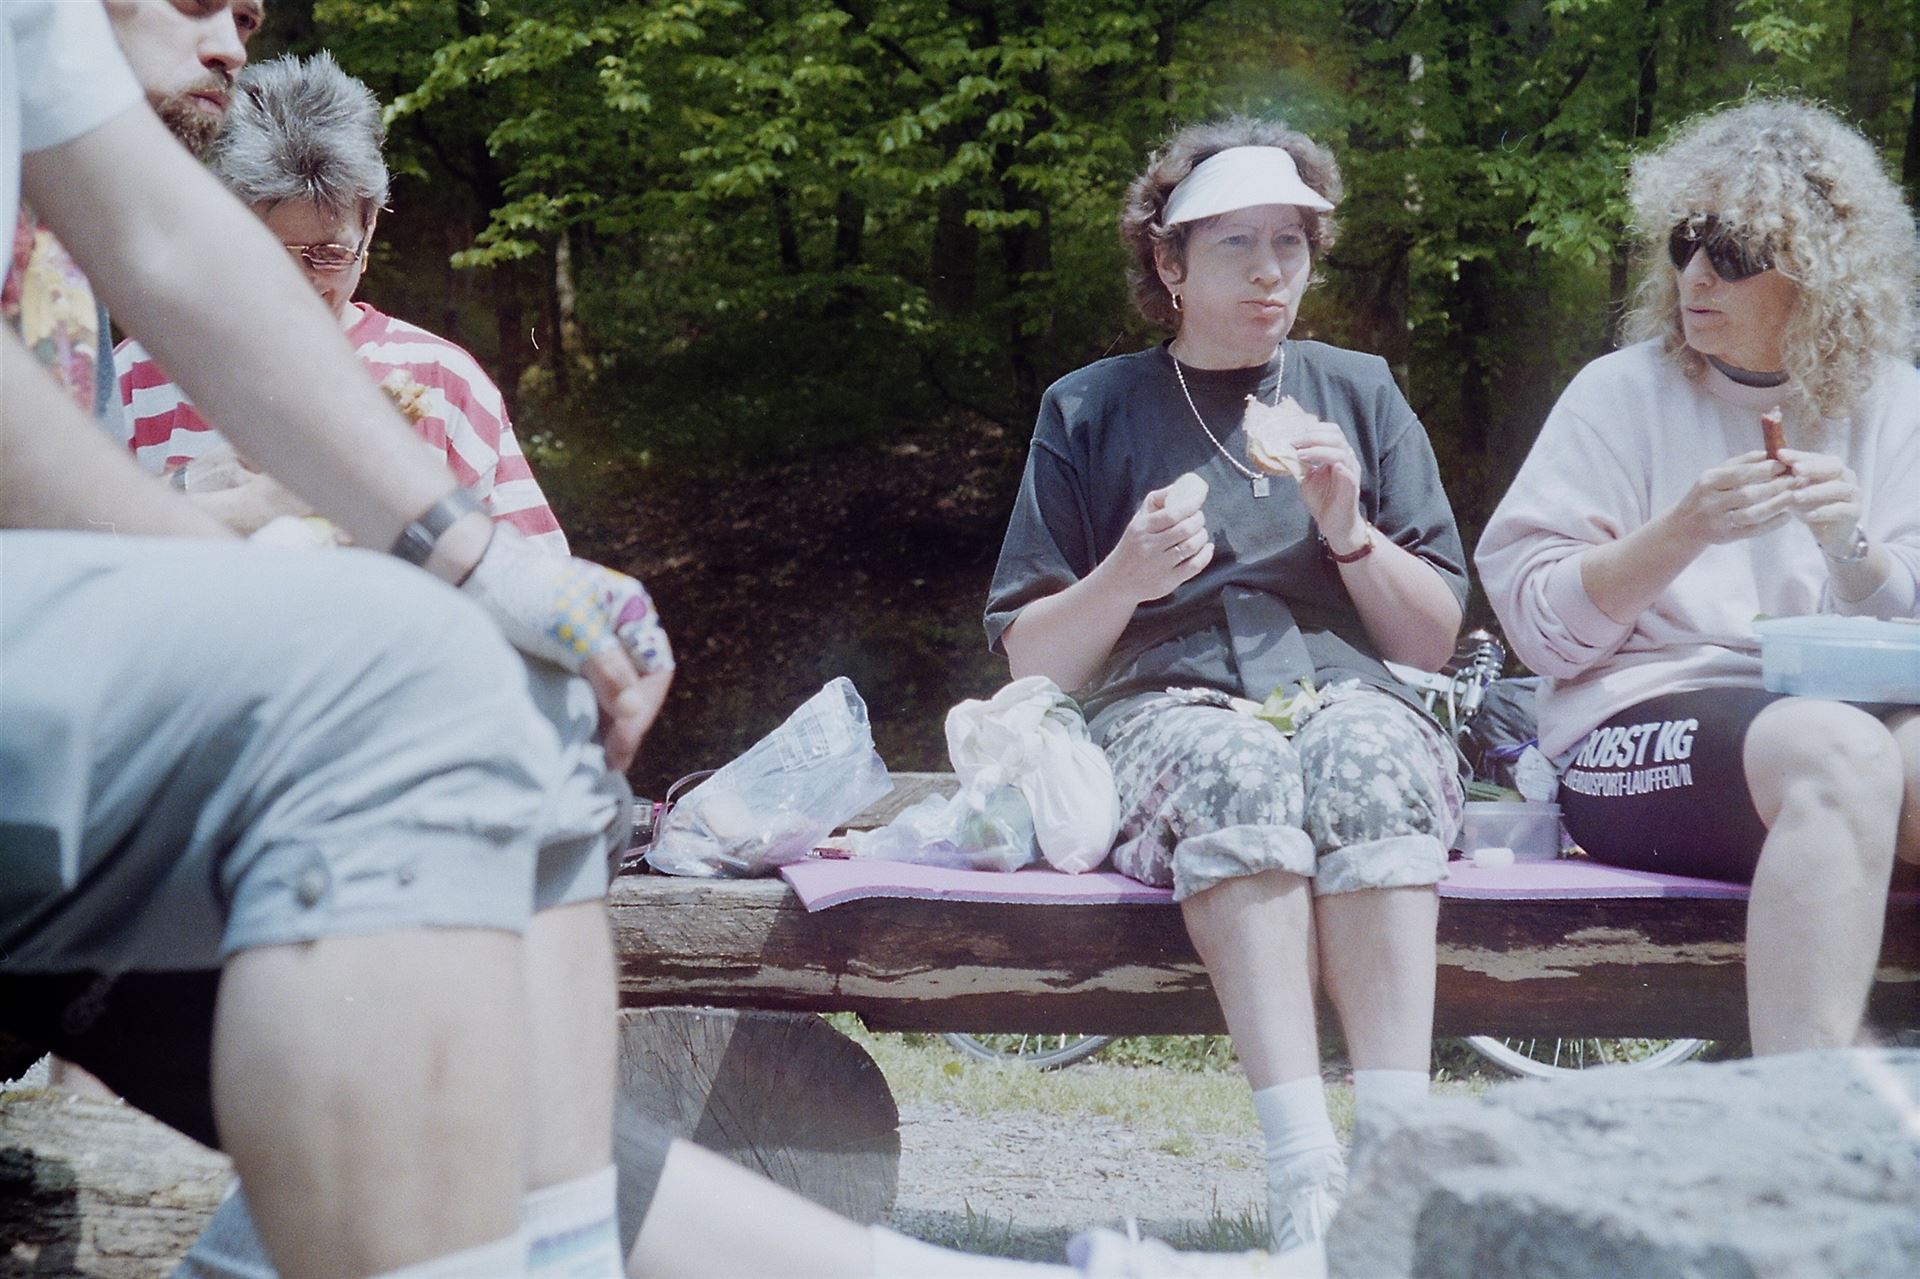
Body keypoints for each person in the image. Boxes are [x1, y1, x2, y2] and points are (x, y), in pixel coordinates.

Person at [3, 10, 1300, 1278]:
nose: (235, 38)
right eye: (200, 1)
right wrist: (244, 554)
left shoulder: (123, 148)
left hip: (109, 794)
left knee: (527, 717)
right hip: (88, 743)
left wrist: (495, 566)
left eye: (252, 8)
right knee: (420, 669)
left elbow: (173, 248)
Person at [984, 117, 1470, 1251]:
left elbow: (1433, 638)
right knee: (1239, 765)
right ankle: (1303, 1168)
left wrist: (1348, 531)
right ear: (1169, 262)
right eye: (1236, 244)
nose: (1268, 273)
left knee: (1366, 754)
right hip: (1166, 707)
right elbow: (1033, 661)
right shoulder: (1090, 408)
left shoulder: (1357, 392)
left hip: (1348, 697)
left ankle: (1394, 1161)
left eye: (1289, 243)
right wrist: (1124, 576)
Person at [1477, 98, 1920, 1054]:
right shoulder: (1619, 393)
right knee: (1836, 751)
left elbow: (1906, 622)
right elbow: (1538, 629)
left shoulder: (1893, 402)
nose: (1696, 274)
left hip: (1847, 712)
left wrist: (1850, 544)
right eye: (1685, 243)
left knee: (1872, 751)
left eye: (1733, 251)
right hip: (1630, 725)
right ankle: (1800, 1124)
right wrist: (1680, 532)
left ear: (1820, 271)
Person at [116, 50, 567, 549]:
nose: (295, 285)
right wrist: (200, 487)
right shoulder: (137, 374)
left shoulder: (441, 380)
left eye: (327, 255)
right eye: (265, 251)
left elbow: (535, 573)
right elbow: (70, 543)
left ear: (368, 231)